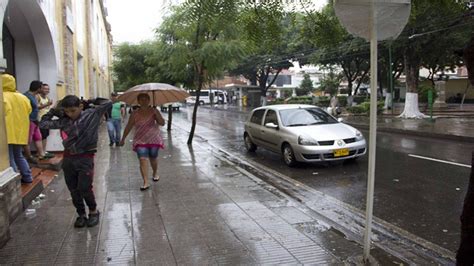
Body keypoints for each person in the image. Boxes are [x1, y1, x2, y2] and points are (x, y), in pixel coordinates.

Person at [40, 95, 112, 228]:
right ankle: (81, 215)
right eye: (67, 111)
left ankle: (93, 211)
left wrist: (90, 101)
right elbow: (43, 124)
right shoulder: (64, 121)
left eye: (73, 110)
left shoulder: (92, 114)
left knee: (85, 187)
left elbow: (108, 102)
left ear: (80, 106)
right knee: (73, 189)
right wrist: (52, 110)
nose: (70, 114)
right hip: (68, 158)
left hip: (85, 158)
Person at [119, 93, 165, 191]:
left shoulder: (154, 111)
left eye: (146, 99)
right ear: (138, 101)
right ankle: (145, 181)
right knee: (142, 159)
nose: (144, 101)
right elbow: (129, 126)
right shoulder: (134, 113)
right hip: (140, 140)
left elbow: (162, 123)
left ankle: (155, 172)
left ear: (149, 100)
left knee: (153, 157)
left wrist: (157, 114)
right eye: (141, 99)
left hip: (154, 139)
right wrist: (123, 138)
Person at [2, 74, 33, 183]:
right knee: (19, 155)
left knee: (9, 158)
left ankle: (14, 181)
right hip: (21, 131)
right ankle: (28, 177)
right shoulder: (23, 97)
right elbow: (29, 110)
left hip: (7, 131)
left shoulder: (2, 96)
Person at [23, 80, 52, 162]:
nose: (43, 89)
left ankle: (41, 154)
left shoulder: (34, 96)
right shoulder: (27, 96)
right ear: (38, 88)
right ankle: (29, 157)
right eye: (42, 88)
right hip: (30, 120)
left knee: (38, 137)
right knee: (28, 139)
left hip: (35, 120)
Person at [37, 83, 53, 151]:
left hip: (47, 120)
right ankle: (41, 152)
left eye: (48, 89)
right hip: (40, 119)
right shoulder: (38, 97)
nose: (47, 90)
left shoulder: (47, 98)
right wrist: (47, 104)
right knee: (41, 136)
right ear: (41, 89)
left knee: (45, 136)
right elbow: (36, 107)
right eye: (45, 89)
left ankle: (44, 151)